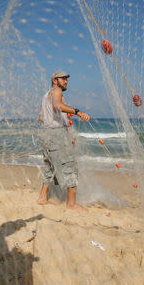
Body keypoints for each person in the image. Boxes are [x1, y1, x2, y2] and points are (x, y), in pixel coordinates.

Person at [37, 71, 90, 210]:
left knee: (50, 167)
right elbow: (57, 106)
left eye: (67, 79)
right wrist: (77, 112)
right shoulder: (56, 90)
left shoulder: (45, 96)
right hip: (56, 134)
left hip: (46, 134)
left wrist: (65, 119)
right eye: (63, 79)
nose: (66, 81)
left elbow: (42, 117)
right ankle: (71, 204)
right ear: (55, 80)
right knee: (70, 166)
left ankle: (43, 198)